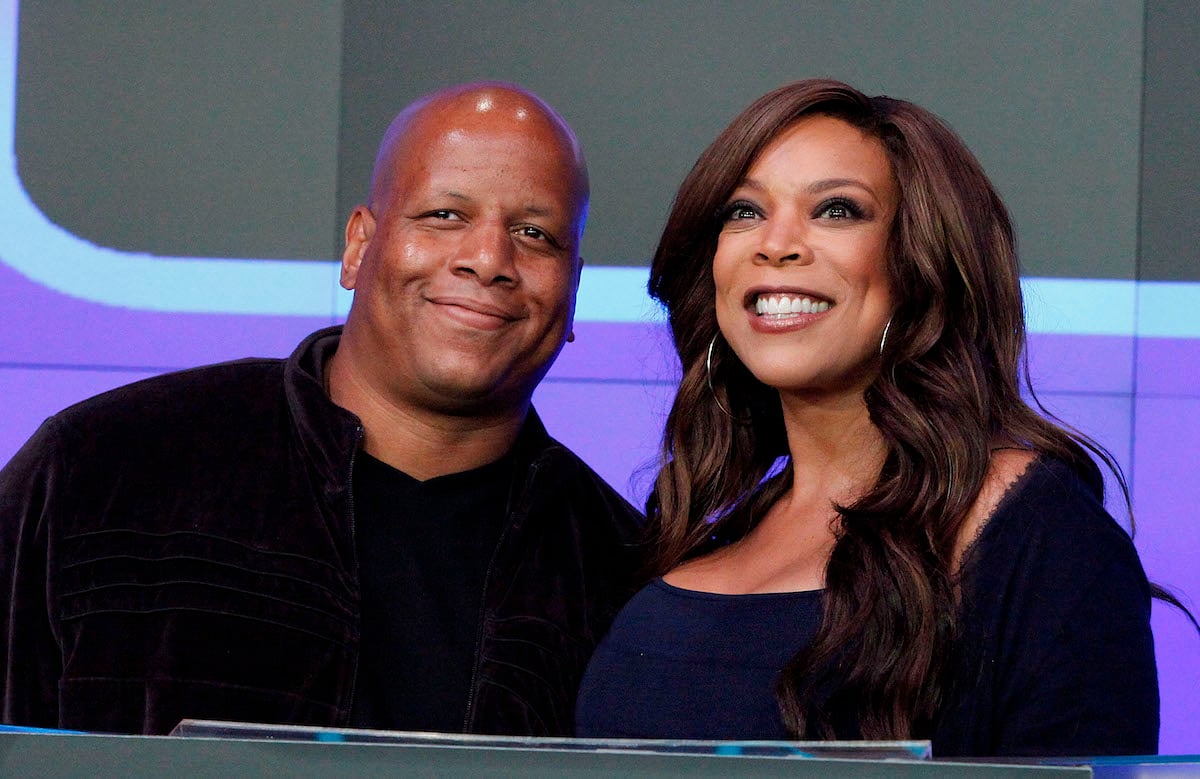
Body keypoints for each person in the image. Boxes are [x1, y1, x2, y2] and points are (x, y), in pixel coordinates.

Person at [0, 82, 642, 736]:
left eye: (534, 233)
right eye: (445, 215)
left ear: (573, 291)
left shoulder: (628, 578)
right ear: (360, 246)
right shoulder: (98, 471)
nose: (488, 259)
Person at [575, 79, 1168, 757]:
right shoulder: (695, 532)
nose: (776, 244)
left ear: (921, 264)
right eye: (743, 212)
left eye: (835, 210)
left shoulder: (1039, 535)